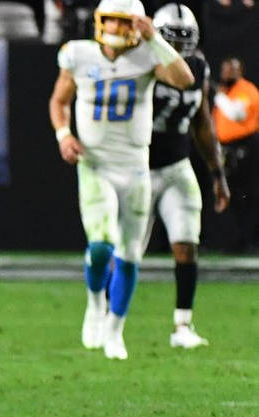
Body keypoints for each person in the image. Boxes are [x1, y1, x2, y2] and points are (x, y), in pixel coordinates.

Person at [48, 0, 194, 360]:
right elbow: (59, 101)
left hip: (136, 167)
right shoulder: (78, 54)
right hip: (95, 163)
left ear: (137, 24)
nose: (115, 29)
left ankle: (115, 331)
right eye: (110, 21)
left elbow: (184, 80)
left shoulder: (147, 55)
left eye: (123, 22)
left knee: (129, 255)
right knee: (101, 245)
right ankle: (95, 302)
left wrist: (155, 39)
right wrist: (64, 135)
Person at [146, 3, 230, 348]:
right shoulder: (143, 62)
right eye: (172, 39)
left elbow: (202, 121)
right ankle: (106, 319)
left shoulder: (198, 66)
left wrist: (217, 172)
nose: (179, 47)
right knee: (126, 252)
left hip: (177, 165)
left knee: (186, 244)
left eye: (185, 39)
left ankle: (182, 326)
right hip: (138, 167)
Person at [212, 57, 259, 252]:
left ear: (240, 71)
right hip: (225, 148)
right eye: (224, 70)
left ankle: (247, 240)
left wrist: (219, 97)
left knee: (244, 194)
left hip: (244, 148)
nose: (227, 74)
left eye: (231, 70)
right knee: (229, 194)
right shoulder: (227, 91)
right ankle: (231, 240)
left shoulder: (246, 89)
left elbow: (237, 114)